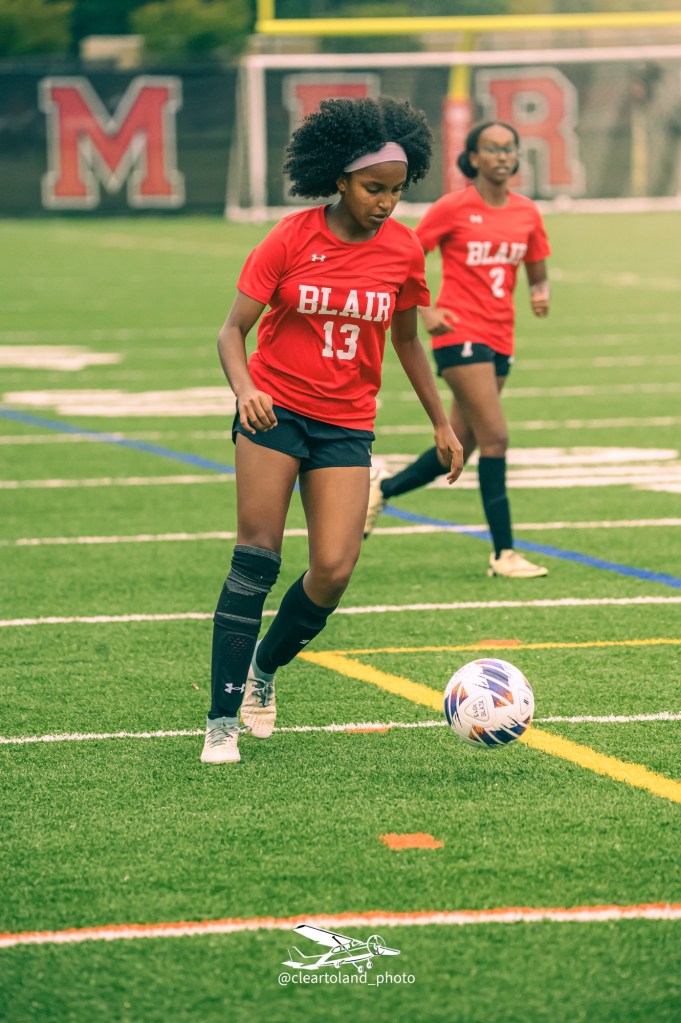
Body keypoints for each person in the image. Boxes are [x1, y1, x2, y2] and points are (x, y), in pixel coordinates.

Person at [201, 96, 464, 764]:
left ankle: (264, 667)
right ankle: (221, 720)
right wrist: (246, 390)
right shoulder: (291, 237)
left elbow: (406, 339)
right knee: (256, 557)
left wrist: (440, 421)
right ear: (340, 179)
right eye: (374, 188)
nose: (386, 203)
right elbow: (232, 331)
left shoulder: (403, 250)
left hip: (347, 423)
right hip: (275, 411)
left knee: (334, 570)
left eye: (397, 190)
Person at [363, 120, 552, 579]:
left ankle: (382, 489)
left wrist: (539, 292)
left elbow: (537, 266)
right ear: (473, 157)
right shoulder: (453, 208)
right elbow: (406, 256)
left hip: (500, 337)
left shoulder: (527, 212)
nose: (502, 156)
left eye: (509, 148)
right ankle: (503, 553)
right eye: (492, 148)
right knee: (496, 438)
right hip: (459, 334)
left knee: (459, 446)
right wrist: (425, 312)